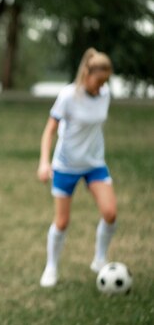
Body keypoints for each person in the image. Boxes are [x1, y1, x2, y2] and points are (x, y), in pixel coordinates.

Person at [37, 47, 117, 288]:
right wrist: (44, 161)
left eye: (105, 81)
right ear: (86, 73)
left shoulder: (105, 94)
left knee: (110, 214)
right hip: (66, 166)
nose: (101, 86)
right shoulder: (68, 96)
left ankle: (99, 259)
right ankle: (51, 267)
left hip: (94, 164)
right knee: (61, 222)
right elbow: (49, 130)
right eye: (98, 81)